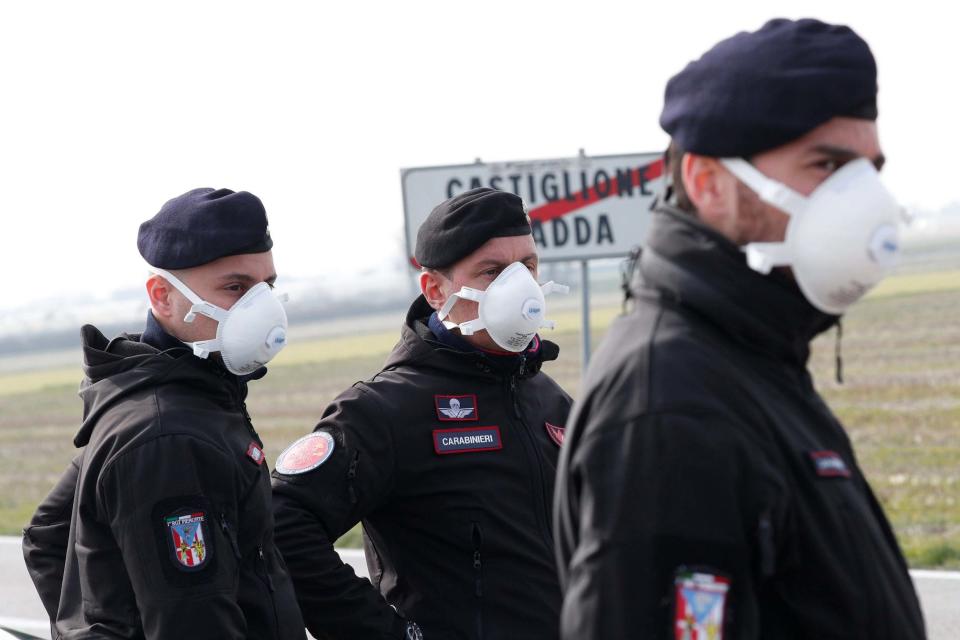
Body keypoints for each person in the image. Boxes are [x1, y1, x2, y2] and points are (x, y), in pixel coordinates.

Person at [553, 18, 926, 640]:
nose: (861, 199)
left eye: (869, 169)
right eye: (827, 164)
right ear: (707, 181)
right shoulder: (670, 406)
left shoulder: (749, 358)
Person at [272, 187, 572, 639]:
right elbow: (282, 524)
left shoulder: (549, 398)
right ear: (435, 290)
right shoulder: (384, 410)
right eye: (492, 272)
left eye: (527, 266)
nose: (520, 285)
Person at [22, 187, 306, 639]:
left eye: (267, 287)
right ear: (163, 296)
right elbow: (194, 625)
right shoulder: (165, 434)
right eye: (236, 287)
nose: (262, 308)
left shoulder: (176, 397)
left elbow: (51, 532)